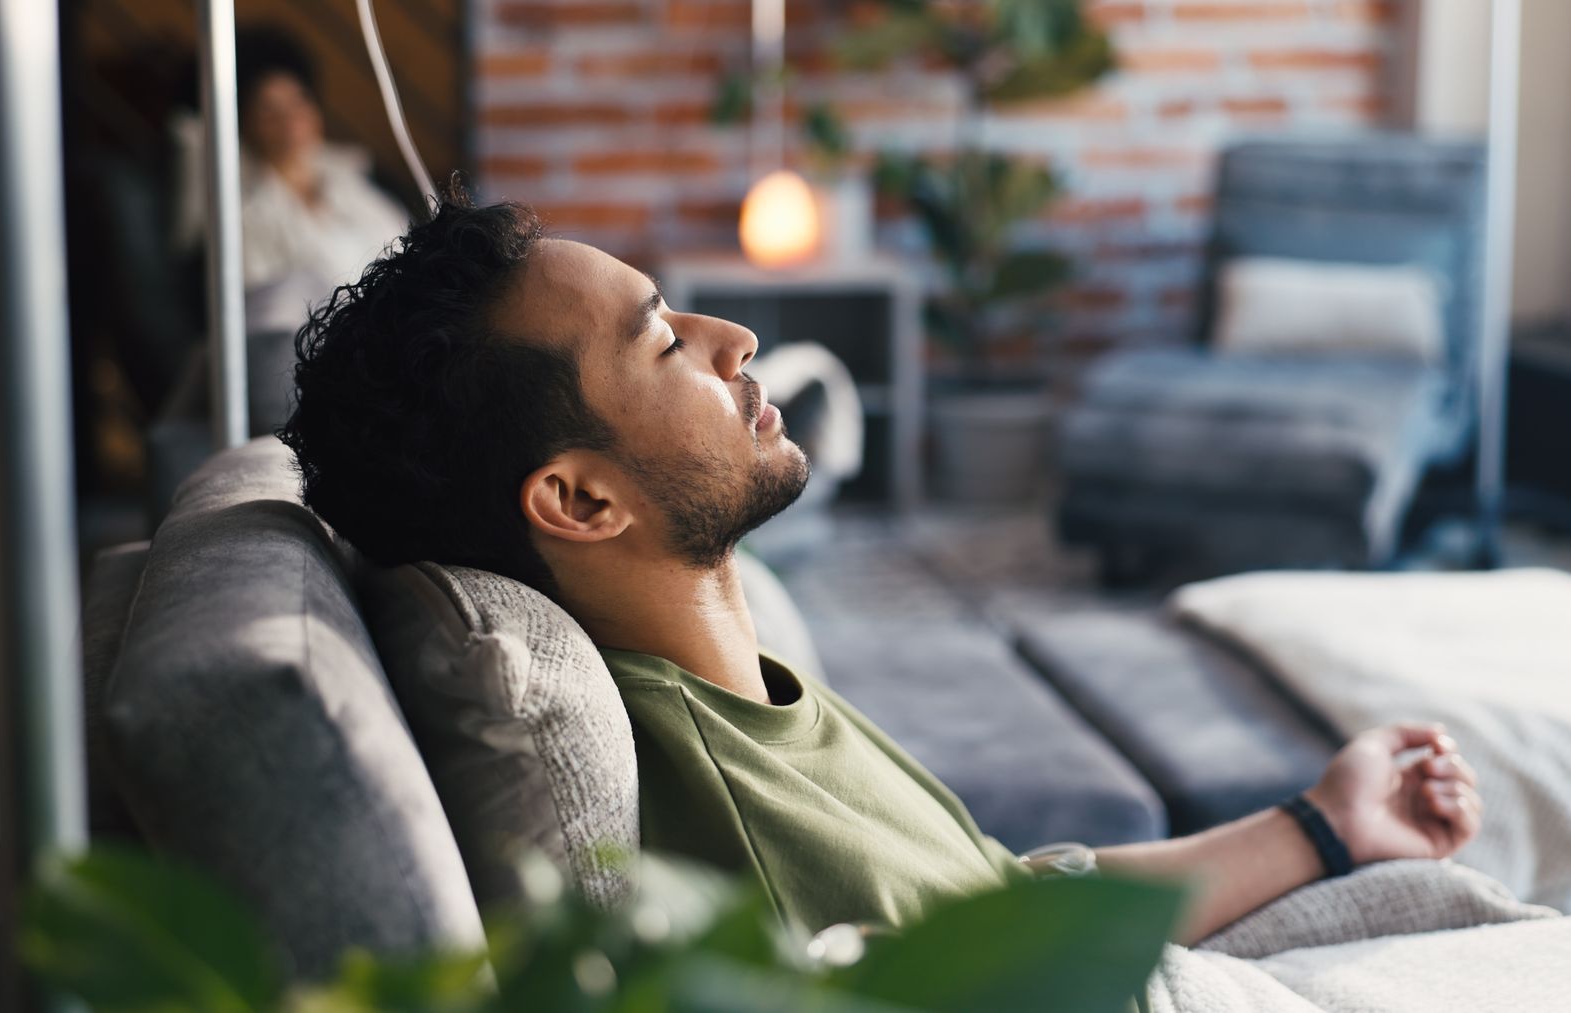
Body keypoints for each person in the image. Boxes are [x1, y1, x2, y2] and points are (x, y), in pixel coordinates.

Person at [276, 194, 1484, 944]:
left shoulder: (732, 692)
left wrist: (1324, 823)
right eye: (663, 340)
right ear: (582, 500)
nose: (734, 338)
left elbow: (1002, 904)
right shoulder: (740, 837)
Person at [174, 27, 412, 334]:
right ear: (245, 125)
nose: (291, 120)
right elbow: (267, 314)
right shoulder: (245, 216)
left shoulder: (357, 180)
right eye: (270, 111)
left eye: (298, 101)